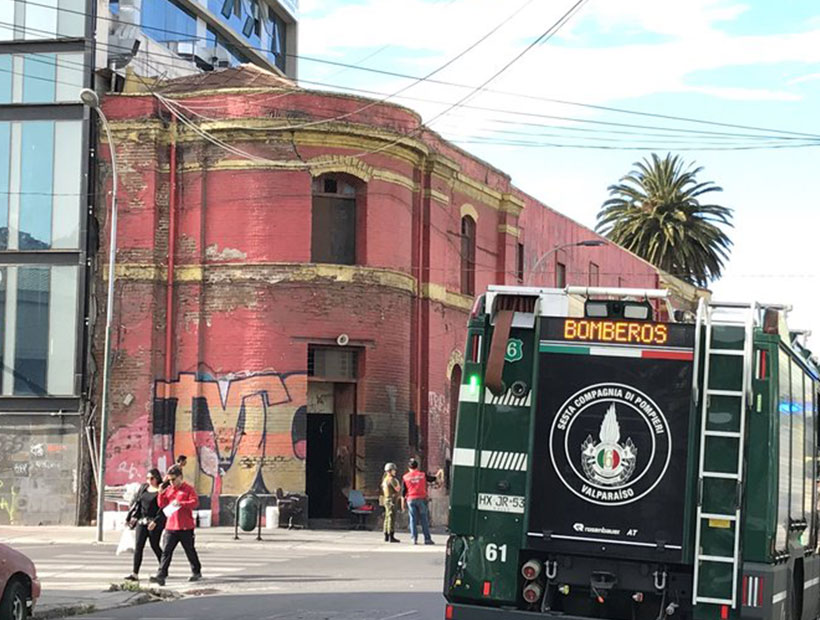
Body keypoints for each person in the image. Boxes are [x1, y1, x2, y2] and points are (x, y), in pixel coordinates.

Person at [150, 465, 202, 586]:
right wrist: (160, 493)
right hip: (171, 526)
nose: (172, 482)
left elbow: (194, 503)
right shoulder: (168, 490)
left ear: (180, 477)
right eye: (170, 480)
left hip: (185, 526)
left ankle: (196, 571)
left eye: (174, 479)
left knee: (189, 550)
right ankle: (161, 575)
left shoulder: (188, 489)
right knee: (166, 552)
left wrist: (181, 503)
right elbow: (161, 504)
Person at [124, 468, 166, 581]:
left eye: (152, 478)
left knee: (155, 545)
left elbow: (163, 508)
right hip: (142, 521)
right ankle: (135, 573)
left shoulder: (161, 490)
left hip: (154, 522)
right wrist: (132, 517)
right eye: (147, 478)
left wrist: (156, 521)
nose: (149, 480)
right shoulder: (144, 488)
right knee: (138, 547)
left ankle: (163, 570)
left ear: (157, 478)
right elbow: (137, 503)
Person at [401, 458, 443, 545]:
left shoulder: (405, 477)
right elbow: (433, 479)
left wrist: (402, 503)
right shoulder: (422, 475)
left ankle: (414, 539)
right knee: (424, 519)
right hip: (421, 499)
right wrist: (438, 474)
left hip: (411, 499)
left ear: (409, 468)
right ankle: (427, 539)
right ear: (417, 467)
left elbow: (403, 492)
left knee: (412, 519)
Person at [381, 463, 401, 543]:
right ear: (390, 471)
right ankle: (391, 535)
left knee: (387, 517)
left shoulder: (384, 480)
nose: (395, 471)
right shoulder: (392, 479)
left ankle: (386, 534)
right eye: (393, 470)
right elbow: (397, 489)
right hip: (392, 500)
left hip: (386, 499)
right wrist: (398, 483)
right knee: (391, 518)